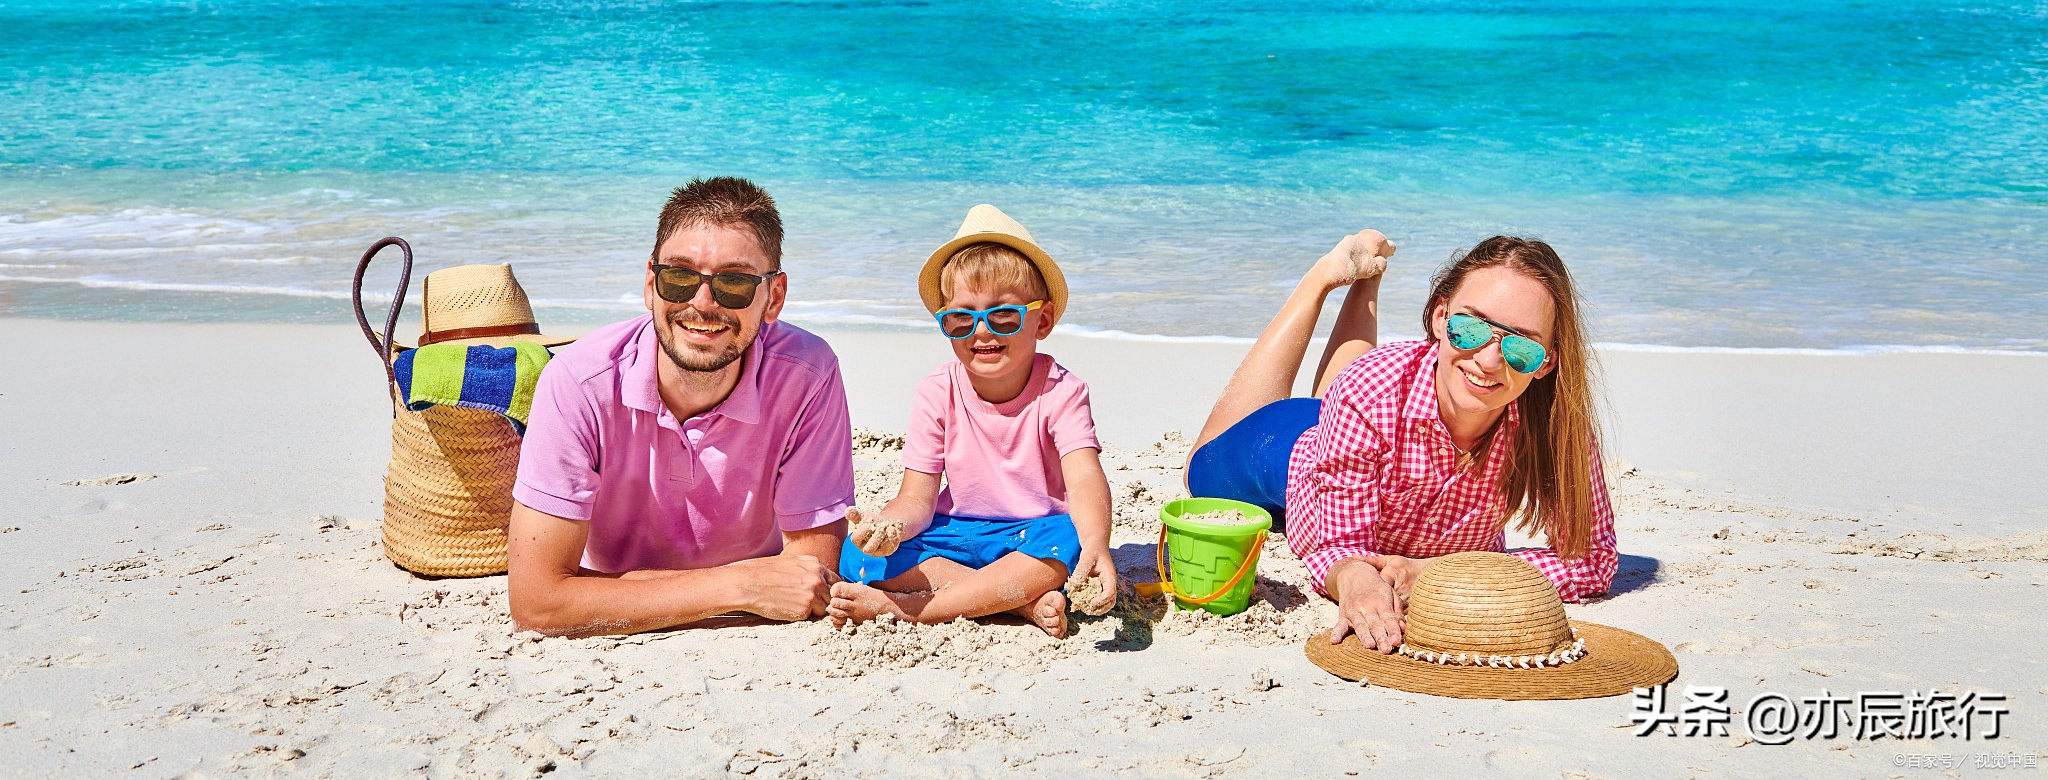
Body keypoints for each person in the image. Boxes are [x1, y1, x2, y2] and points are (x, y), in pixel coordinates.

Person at [1185, 229, 1616, 654]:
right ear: (1440, 317)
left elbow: (1594, 561)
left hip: (1367, 419)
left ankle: (1367, 280)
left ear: (1547, 362)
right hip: (1289, 455)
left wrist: (1432, 572)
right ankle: (1320, 281)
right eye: (1470, 328)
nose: (1488, 360)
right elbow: (1340, 547)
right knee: (1200, 471)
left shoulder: (1556, 426)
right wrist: (1354, 576)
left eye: (1521, 349)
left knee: (1355, 390)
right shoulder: (1366, 392)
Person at [506, 177, 854, 636]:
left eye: (734, 282)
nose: (702, 303)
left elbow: (810, 573)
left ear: (774, 298)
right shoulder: (578, 381)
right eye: (681, 276)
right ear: (652, 284)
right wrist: (739, 584)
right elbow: (538, 603)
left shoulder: (807, 375)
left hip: (614, 590)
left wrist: (607, 592)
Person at [826, 205, 1117, 640]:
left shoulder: (1062, 391)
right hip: (957, 534)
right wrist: (889, 530)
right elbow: (916, 500)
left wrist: (1097, 542)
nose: (982, 332)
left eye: (1003, 316)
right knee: (856, 556)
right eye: (962, 319)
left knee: (1068, 540)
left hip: (1031, 534)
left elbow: (1085, 482)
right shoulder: (935, 391)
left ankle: (912, 611)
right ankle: (1017, 604)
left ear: (1043, 320)